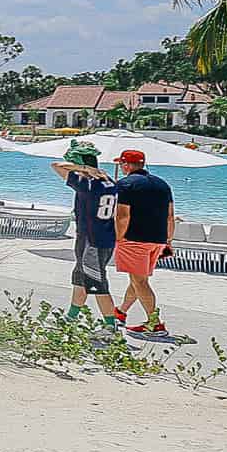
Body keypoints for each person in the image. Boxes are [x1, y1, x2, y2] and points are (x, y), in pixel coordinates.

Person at [111, 150, 176, 338]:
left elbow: (122, 216)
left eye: (121, 164)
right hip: (158, 239)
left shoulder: (124, 184)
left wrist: (117, 238)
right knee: (139, 280)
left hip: (134, 239)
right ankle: (121, 312)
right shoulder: (162, 184)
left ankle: (155, 324)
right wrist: (168, 241)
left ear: (126, 165)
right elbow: (170, 216)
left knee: (139, 281)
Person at [50, 140, 117, 322]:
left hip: (93, 241)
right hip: (101, 238)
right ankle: (71, 318)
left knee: (97, 284)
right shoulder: (108, 181)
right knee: (80, 279)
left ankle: (110, 326)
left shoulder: (88, 184)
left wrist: (82, 168)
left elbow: (57, 166)